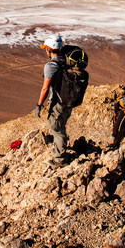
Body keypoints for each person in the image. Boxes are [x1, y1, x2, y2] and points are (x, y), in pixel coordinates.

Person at [35, 34, 89, 168]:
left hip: (58, 102)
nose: (45, 51)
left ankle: (59, 160)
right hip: (68, 101)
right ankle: (61, 147)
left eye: (46, 48)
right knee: (61, 125)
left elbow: (45, 88)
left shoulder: (51, 66)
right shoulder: (67, 60)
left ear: (49, 49)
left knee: (56, 128)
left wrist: (39, 104)